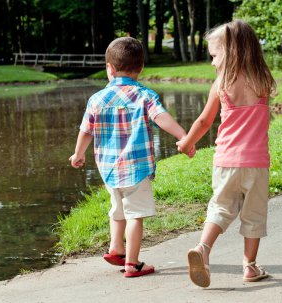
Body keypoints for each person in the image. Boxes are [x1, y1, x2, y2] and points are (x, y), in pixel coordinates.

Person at [69, 37, 187, 278]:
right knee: (135, 215)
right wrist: (183, 136)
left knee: (117, 209)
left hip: (109, 169)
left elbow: (86, 130)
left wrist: (78, 153)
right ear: (141, 68)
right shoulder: (144, 95)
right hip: (136, 167)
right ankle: (132, 263)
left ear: (110, 69)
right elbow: (161, 117)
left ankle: (116, 247)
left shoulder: (97, 99)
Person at [177, 20, 276, 288]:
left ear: (231, 52)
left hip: (226, 161)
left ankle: (203, 248)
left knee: (220, 208)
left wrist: (186, 143)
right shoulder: (263, 79)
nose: (212, 63)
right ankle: (250, 267)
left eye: (214, 55)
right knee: (254, 215)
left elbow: (204, 122)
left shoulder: (222, 82)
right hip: (256, 163)